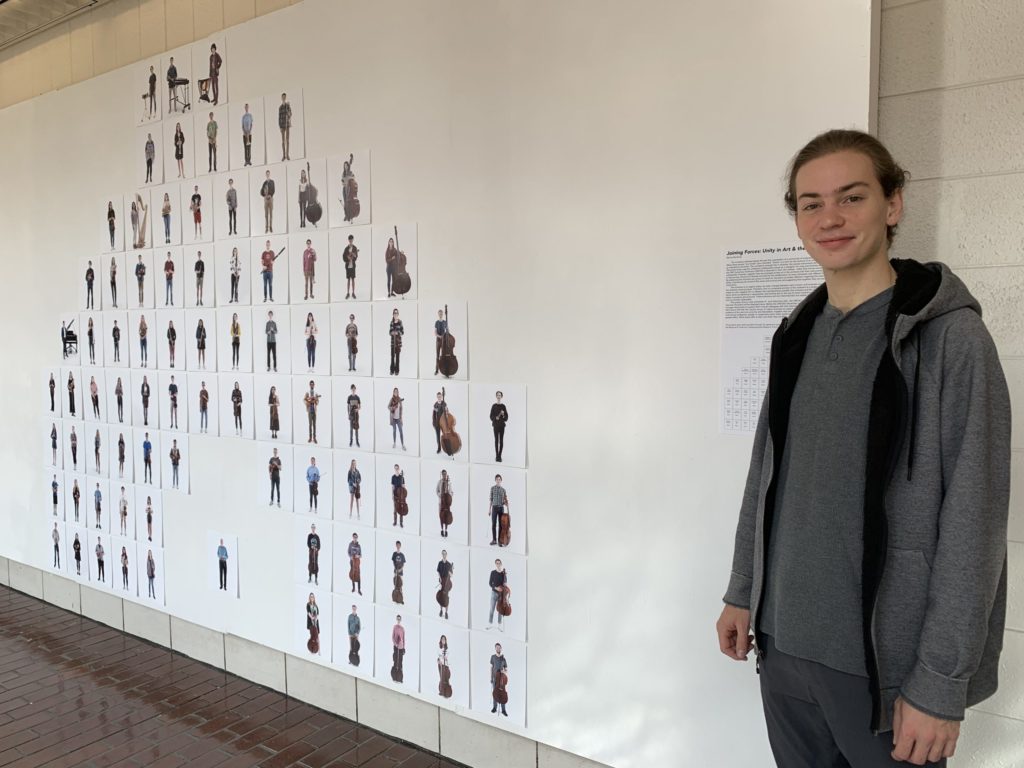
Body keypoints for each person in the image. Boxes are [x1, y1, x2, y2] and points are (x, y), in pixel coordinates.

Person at [716, 130, 1011, 768]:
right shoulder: (796, 333)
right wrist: (743, 590)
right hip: (784, 650)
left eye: (851, 197)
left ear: (893, 205)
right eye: (811, 203)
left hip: (887, 670)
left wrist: (940, 682)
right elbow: (765, 476)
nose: (830, 218)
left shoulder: (951, 341)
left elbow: (975, 526)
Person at [489, 474, 509, 547]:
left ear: (501, 480)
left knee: (501, 525)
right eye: (497, 479)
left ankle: (499, 541)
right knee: (493, 524)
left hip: (501, 508)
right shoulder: (492, 488)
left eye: (499, 479)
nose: (498, 480)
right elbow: (491, 499)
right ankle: (494, 540)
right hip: (494, 508)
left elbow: (504, 501)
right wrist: (489, 510)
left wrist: (506, 503)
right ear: (495, 480)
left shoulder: (503, 490)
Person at [488, 559, 507, 631]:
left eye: (499, 563)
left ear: (501, 564)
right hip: (493, 593)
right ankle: (490, 624)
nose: (498, 564)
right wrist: (496, 588)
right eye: (497, 563)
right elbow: (490, 583)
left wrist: (505, 581)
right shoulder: (492, 572)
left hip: (501, 595)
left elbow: (505, 584)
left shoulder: (503, 573)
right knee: (491, 609)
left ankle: (499, 625)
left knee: (500, 610)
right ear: (495, 564)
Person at [490, 643, 509, 715]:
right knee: (495, 693)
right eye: (497, 648)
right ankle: (494, 707)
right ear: (495, 648)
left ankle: (503, 710)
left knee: (502, 693)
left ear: (501, 648)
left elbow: (506, 670)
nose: (498, 649)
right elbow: (491, 668)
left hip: (501, 680)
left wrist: (503, 671)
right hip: (495, 678)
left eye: (499, 648)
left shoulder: (503, 659)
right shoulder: (493, 657)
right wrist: (491, 678)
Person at [490, 391, 508, 463]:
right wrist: (495, 418)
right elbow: (491, 416)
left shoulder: (503, 406)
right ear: (496, 396)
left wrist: (503, 415)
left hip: (502, 426)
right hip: (495, 425)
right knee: (496, 440)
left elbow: (506, 418)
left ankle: (500, 456)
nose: (498, 396)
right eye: (497, 395)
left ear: (501, 396)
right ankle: (496, 455)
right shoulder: (493, 406)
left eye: (500, 395)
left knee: (501, 441)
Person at [437, 550, 453, 619]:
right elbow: (438, 572)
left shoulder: (449, 564)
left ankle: (446, 612)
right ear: (442, 554)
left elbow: (451, 575)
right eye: (443, 554)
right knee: (441, 597)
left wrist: (450, 573)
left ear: (446, 554)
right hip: (441, 580)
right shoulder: (440, 563)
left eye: (445, 554)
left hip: (447, 582)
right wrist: (440, 578)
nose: (444, 555)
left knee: (446, 598)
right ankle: (441, 610)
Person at [437, 469, 453, 538]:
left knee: (446, 516)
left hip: (447, 502)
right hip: (441, 501)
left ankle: (446, 530)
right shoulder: (439, 482)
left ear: (446, 475)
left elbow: (451, 492)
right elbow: (437, 490)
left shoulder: (449, 483)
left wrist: (450, 495)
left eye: (445, 474)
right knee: (441, 515)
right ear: (442, 475)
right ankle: (441, 529)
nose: (444, 475)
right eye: (443, 474)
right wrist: (439, 495)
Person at [343, 234, 358, 298]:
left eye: (351, 240)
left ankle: (353, 293)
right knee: (348, 280)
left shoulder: (355, 248)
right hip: (348, 266)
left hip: (353, 266)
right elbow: (343, 257)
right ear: (348, 240)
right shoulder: (346, 248)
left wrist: (354, 256)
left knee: (353, 279)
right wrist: (348, 258)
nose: (351, 241)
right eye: (350, 240)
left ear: (353, 240)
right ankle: (348, 293)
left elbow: (356, 257)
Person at [389, 308, 404, 375]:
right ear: (393, 314)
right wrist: (392, 333)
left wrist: (397, 332)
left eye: (396, 313)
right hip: (392, 342)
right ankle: (392, 370)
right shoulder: (391, 322)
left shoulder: (400, 322)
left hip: (398, 343)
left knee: (397, 357)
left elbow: (402, 332)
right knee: (392, 356)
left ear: (398, 314)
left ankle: (397, 370)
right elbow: (389, 332)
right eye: (394, 313)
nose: (395, 314)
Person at [391, 615, 405, 682]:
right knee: (395, 660)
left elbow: (403, 638)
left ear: (401, 619)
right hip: (396, 647)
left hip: (401, 647)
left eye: (399, 619)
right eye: (398, 619)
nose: (398, 620)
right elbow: (392, 637)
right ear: (396, 619)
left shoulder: (402, 628)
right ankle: (394, 677)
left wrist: (404, 647)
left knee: (400, 662)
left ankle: (399, 678)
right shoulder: (395, 627)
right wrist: (395, 644)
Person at [278, 93, 292, 161]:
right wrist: (280, 127)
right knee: (283, 141)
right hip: (282, 126)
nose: (283, 98)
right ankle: (283, 155)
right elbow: (279, 117)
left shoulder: (288, 105)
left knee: (287, 140)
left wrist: (288, 108)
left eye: (284, 97)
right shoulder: (280, 107)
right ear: (281, 98)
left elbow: (290, 114)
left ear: (285, 97)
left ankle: (287, 155)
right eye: (282, 97)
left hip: (287, 125)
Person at [434, 309, 447, 375]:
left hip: (444, 341)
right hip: (438, 341)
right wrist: (439, 336)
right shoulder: (436, 322)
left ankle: (444, 369)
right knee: (437, 355)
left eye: (441, 313)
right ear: (438, 314)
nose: (440, 314)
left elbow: (447, 330)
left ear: (443, 314)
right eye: (439, 313)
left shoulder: (445, 322)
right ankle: (436, 370)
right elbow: (435, 333)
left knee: (444, 355)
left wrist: (446, 336)